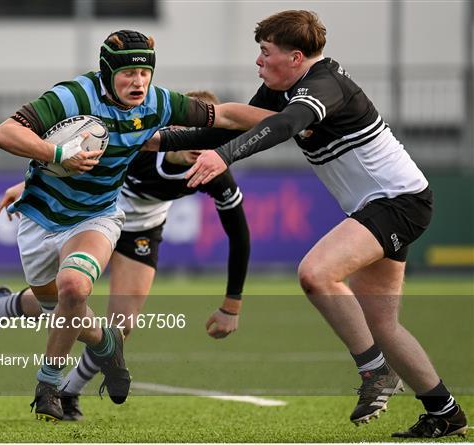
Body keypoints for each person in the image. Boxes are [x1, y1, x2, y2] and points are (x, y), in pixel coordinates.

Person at [148, 10, 469, 439]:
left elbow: (282, 125)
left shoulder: (322, 85)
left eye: (265, 53)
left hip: (399, 202)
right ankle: (444, 412)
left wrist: (225, 157)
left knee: (316, 273)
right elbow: (227, 119)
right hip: (382, 206)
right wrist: (150, 140)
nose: (258, 62)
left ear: (296, 57)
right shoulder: (286, 85)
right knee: (381, 323)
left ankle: (375, 373)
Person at [0, 29, 273, 422]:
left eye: (144, 72)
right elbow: (4, 132)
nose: (138, 82)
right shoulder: (71, 96)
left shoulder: (158, 106)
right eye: (127, 73)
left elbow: (225, 115)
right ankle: (103, 342)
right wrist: (57, 155)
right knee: (62, 308)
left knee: (76, 288)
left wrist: (293, 121)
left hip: (100, 217)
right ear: (107, 71)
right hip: (41, 219)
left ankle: (51, 387)